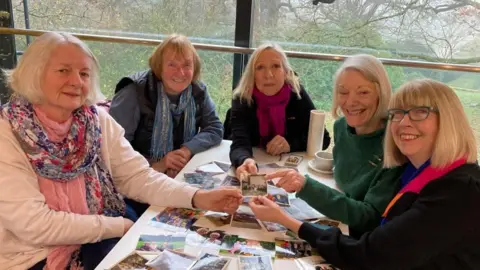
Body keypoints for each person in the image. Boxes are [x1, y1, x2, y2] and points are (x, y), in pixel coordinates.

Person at [0, 32, 242, 270]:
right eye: (63, 70)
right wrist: (120, 227)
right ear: (34, 72)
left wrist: (198, 196)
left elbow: (138, 177)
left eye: (84, 73)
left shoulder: (96, 122)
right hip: (32, 256)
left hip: (99, 237)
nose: (76, 81)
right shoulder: (7, 132)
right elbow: (34, 224)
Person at [250, 79, 480, 269]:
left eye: (420, 112)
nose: (404, 122)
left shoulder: (460, 192)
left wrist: (286, 220)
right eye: (398, 113)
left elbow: (369, 255)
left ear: (449, 120)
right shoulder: (414, 171)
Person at [268, 54, 403, 235]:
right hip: (338, 219)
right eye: (343, 92)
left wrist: (306, 187)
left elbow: (370, 218)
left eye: (363, 92)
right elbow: (343, 181)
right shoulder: (341, 126)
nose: (350, 102)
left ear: (381, 93)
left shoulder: (395, 141)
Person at [109, 34, 223, 179]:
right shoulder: (133, 91)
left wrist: (186, 151)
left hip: (179, 174)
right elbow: (115, 150)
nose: (180, 73)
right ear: (159, 66)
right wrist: (160, 164)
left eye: (187, 65)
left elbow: (214, 127)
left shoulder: (197, 90)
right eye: (172, 65)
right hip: (137, 178)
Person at [229, 43, 331, 179]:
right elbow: (239, 143)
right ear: (252, 75)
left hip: (289, 171)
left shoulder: (297, 94)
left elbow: (323, 138)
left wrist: (290, 144)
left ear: (285, 71)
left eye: (276, 66)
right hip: (256, 165)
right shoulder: (242, 98)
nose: (268, 75)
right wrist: (244, 160)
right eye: (260, 68)